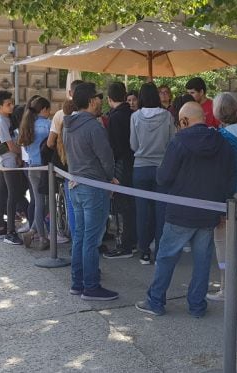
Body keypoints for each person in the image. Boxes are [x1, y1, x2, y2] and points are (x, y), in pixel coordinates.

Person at [135, 101, 235, 317]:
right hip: (210, 211)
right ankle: (197, 306)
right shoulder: (222, 142)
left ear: (184, 121)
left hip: (180, 210)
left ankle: (156, 301)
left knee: (166, 257)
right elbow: (229, 178)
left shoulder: (178, 142)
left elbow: (163, 178)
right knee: (202, 262)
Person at [64, 82, 120, 301]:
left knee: (80, 237)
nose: (100, 100)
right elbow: (106, 157)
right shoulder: (94, 126)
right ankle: (91, 286)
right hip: (94, 187)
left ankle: (78, 283)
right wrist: (110, 178)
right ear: (90, 101)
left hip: (76, 185)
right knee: (91, 240)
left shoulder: (69, 125)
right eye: (98, 97)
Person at [206, 92, 237, 302]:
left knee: (222, 242)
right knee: (234, 240)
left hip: (227, 194)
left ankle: (227, 288)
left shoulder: (221, 137)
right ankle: (230, 285)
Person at [130, 82, 175, 265]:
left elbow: (133, 144)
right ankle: (160, 251)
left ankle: (144, 251)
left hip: (140, 167)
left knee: (142, 212)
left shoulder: (135, 117)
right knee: (161, 211)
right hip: (161, 167)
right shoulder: (167, 116)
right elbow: (172, 142)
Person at [104, 82, 137, 259]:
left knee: (122, 206)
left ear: (109, 99)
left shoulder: (114, 118)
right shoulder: (132, 114)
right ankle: (131, 240)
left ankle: (125, 244)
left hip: (120, 165)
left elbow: (114, 148)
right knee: (130, 205)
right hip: (133, 162)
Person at [48, 80, 83, 244]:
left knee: (72, 205)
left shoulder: (59, 115)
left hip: (66, 164)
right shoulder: (88, 115)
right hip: (84, 165)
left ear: (70, 93)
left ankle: (76, 241)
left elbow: (50, 142)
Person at [18, 97, 52, 250]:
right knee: (45, 203)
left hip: (32, 166)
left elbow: (25, 148)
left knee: (39, 202)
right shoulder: (47, 125)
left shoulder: (27, 125)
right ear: (44, 109)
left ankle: (33, 232)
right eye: (48, 109)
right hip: (45, 168)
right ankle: (42, 237)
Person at [0, 90, 24, 245]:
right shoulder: (0, 121)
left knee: (3, 192)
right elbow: (10, 145)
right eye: (8, 104)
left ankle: (0, 228)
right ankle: (10, 231)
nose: (11, 106)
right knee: (13, 193)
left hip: (7, 160)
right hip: (7, 161)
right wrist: (21, 153)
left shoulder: (5, 119)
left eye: (12, 103)